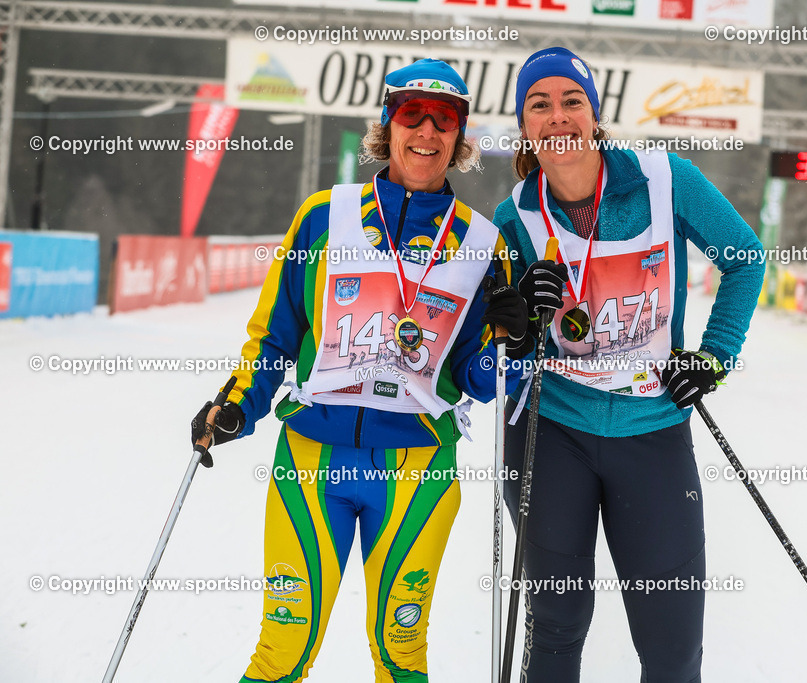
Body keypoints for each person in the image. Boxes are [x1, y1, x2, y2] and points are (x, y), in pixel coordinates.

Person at [190, 58, 531, 682]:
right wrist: (236, 404)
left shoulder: (485, 244)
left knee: (399, 654)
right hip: (311, 460)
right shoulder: (324, 216)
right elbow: (275, 333)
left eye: (445, 120)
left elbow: (483, 381)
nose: (427, 132)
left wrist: (514, 334)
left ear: (459, 136)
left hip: (417, 470)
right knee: (281, 652)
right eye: (412, 116)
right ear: (387, 124)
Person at [494, 47, 765, 682]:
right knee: (555, 627)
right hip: (549, 432)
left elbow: (745, 257)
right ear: (524, 125)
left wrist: (714, 357)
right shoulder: (515, 216)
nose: (557, 116)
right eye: (539, 105)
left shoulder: (666, 179)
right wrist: (519, 315)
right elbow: (503, 342)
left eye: (571, 101)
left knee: (671, 641)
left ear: (594, 114)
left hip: (653, 430)